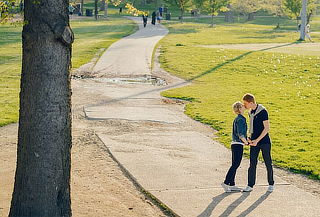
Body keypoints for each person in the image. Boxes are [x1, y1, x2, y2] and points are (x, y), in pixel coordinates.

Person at [242, 93, 274, 193]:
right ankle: (250, 185)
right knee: (252, 163)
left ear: (251, 103)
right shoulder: (250, 112)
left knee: (268, 162)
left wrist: (257, 140)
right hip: (253, 142)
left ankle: (271, 183)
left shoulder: (263, 111)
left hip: (264, 142)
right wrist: (249, 138)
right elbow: (252, 127)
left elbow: (267, 128)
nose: (244, 105)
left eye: (245, 103)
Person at [221, 102, 250, 193]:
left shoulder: (237, 118)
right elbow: (240, 134)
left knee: (235, 164)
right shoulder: (241, 119)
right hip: (238, 144)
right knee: (235, 164)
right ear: (239, 109)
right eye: (242, 106)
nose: (244, 106)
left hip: (235, 144)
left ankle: (232, 184)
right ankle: (226, 182)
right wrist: (246, 142)